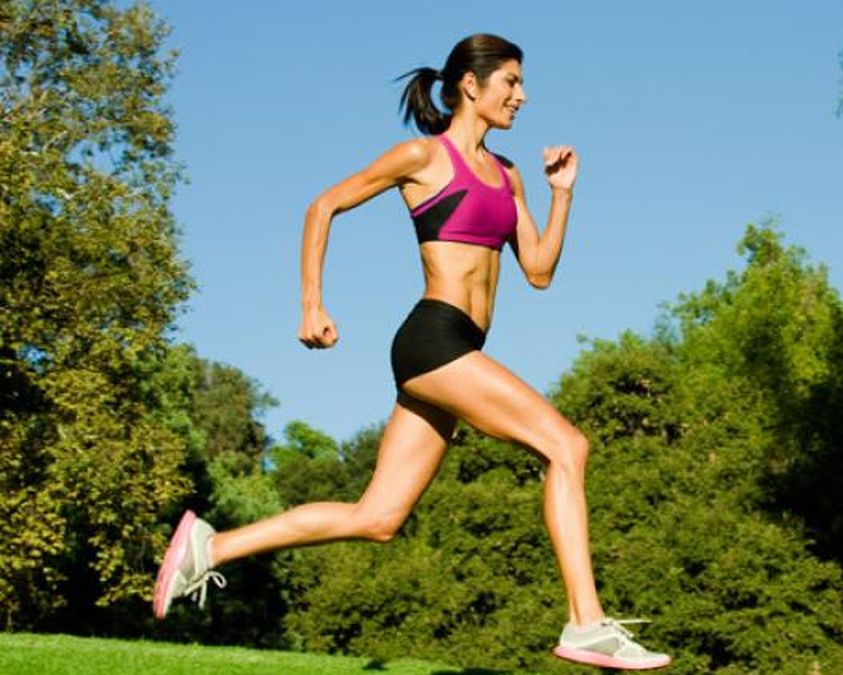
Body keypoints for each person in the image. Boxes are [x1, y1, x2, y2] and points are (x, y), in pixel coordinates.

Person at [151, 33, 671, 671]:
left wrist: (562, 193)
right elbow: (324, 206)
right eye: (510, 81)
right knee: (567, 446)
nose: (522, 95)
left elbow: (537, 270)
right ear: (470, 86)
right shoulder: (424, 156)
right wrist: (311, 304)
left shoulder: (508, 175)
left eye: (521, 83)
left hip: (457, 350)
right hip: (433, 339)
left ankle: (213, 546)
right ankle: (587, 622)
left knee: (378, 517)